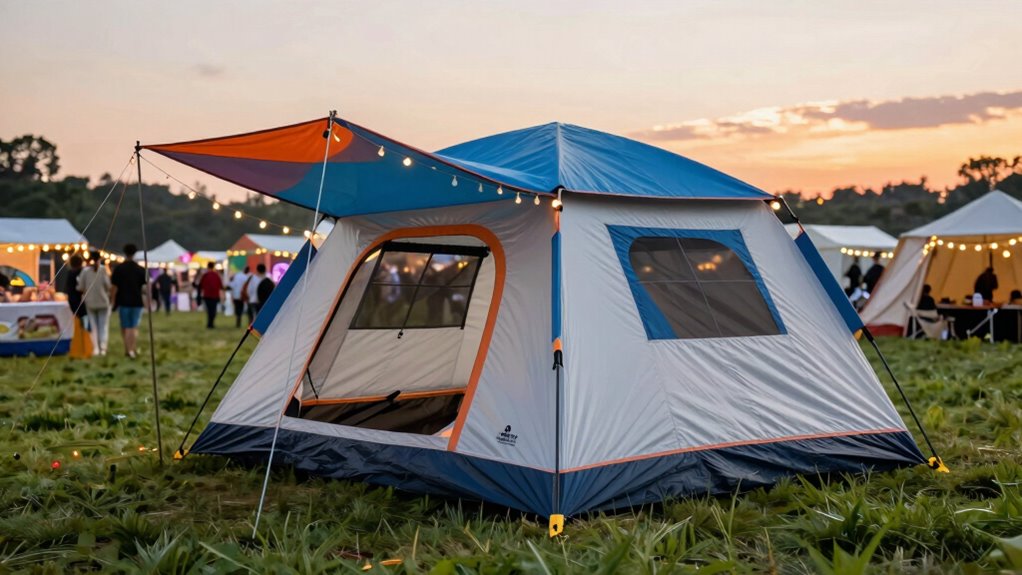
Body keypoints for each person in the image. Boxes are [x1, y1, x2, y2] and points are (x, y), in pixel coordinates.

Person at [110, 243, 147, 359]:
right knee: (133, 326)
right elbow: (145, 287)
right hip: (137, 301)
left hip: (123, 301)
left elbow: (114, 287)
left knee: (125, 326)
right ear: (135, 253)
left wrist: (112, 301)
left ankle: (128, 349)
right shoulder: (140, 269)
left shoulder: (119, 269)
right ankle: (132, 349)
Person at [78, 252, 112, 356]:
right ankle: (103, 347)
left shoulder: (85, 271)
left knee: (93, 326)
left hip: (90, 302)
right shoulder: (103, 270)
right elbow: (108, 286)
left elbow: (80, 287)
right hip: (103, 301)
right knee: (103, 326)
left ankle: (95, 348)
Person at [198, 262, 224, 328]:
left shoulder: (205, 275)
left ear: (207, 267)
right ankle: (211, 323)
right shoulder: (216, 275)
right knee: (213, 310)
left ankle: (210, 323)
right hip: (215, 296)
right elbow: (221, 285)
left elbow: (201, 285)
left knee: (209, 310)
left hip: (207, 295)